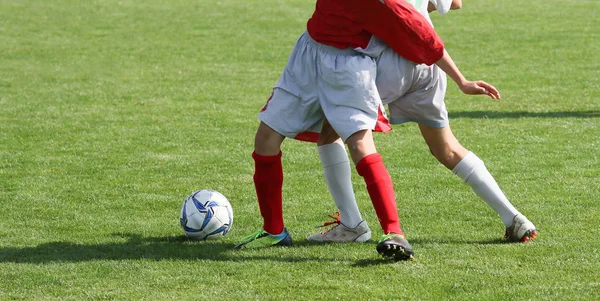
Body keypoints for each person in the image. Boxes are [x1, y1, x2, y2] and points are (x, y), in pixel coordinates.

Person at [308, 0, 537, 244]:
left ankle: (351, 225)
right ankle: (513, 217)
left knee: (331, 133)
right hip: (429, 62)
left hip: (389, 60)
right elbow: (454, 3)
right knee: (447, 149)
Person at [233, 0, 448, 261]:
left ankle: (394, 233)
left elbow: (427, 37)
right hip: (308, 54)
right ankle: (274, 231)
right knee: (266, 138)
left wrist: (462, 80)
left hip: (349, 66)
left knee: (360, 145)